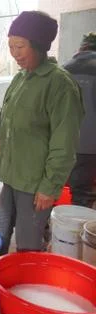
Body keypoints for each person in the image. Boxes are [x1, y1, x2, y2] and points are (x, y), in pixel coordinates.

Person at [0, 11, 84, 256]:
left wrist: (50, 186)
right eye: (11, 46)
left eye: (20, 46)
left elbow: (64, 143)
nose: (14, 53)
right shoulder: (21, 78)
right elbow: (4, 115)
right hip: (12, 174)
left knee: (28, 241)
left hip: (35, 183)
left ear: (40, 45)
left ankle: (24, 285)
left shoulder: (59, 84)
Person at [63, 32, 96, 209]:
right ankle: (75, 233)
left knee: (51, 188)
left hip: (61, 143)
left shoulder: (63, 69)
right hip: (89, 147)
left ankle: (43, 230)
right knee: (82, 193)